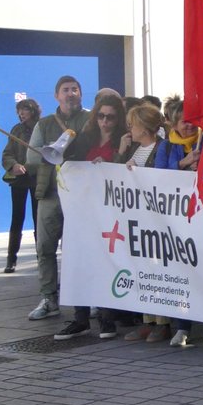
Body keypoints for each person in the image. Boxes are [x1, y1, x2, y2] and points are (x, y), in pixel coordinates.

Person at [52, 94, 127, 341]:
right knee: (78, 259)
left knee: (105, 260)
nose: (105, 122)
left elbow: (126, 171)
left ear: (119, 119)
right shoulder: (85, 138)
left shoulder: (122, 140)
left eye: (111, 117)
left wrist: (111, 160)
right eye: (101, 116)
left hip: (109, 211)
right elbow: (69, 162)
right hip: (83, 209)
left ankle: (107, 318)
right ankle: (80, 317)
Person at [26, 76, 90, 320]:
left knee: (83, 248)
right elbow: (31, 160)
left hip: (84, 195)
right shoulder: (43, 125)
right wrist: (48, 152)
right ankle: (49, 298)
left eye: (75, 89)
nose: (71, 93)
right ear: (56, 96)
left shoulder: (90, 119)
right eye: (66, 90)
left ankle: (88, 297)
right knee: (45, 247)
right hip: (51, 193)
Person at [155, 98, 203, 348]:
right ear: (173, 122)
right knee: (182, 270)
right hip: (178, 220)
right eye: (184, 121)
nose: (189, 125)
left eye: (193, 120)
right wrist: (183, 163)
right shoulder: (167, 147)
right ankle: (183, 325)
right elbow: (157, 177)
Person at [119, 104, 174, 343]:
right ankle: (148, 320)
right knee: (142, 269)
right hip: (138, 220)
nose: (130, 128)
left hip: (158, 220)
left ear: (145, 127)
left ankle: (163, 322)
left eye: (133, 124)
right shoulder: (134, 150)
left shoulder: (163, 147)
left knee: (159, 269)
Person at [2, 98, 40, 273]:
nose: (20, 114)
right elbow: (7, 154)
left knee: (38, 219)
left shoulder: (42, 127)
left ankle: (42, 257)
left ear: (32, 110)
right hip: (19, 181)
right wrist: (14, 165)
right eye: (19, 111)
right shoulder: (16, 130)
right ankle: (11, 259)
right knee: (17, 218)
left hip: (38, 179)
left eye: (23, 110)